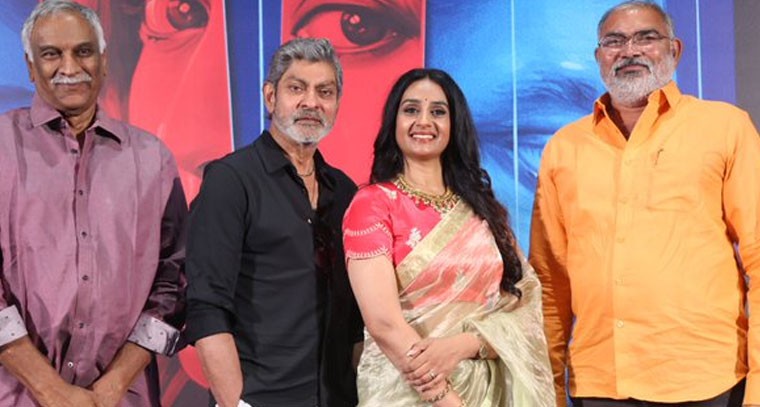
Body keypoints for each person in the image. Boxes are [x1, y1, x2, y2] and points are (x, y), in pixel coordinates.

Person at [530, 1, 759, 406]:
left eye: (646, 37)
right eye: (614, 41)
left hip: (706, 379)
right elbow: (550, 281)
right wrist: (547, 389)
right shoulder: (564, 147)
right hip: (599, 382)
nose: (629, 51)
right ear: (599, 57)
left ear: (675, 49)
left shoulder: (725, 127)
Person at [0, 1, 187, 406]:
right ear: (30, 67)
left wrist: (114, 384)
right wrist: (49, 389)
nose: (70, 66)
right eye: (51, 53)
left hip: (122, 398)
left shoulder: (152, 159)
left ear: (103, 61)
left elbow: (174, 281)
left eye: (83, 51)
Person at [342, 68, 554, 406]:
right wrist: (446, 399)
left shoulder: (484, 209)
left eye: (438, 111)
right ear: (394, 122)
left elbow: (524, 302)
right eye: (411, 110)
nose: (424, 121)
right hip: (408, 392)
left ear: (455, 124)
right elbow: (384, 324)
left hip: (488, 391)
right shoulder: (373, 204)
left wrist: (466, 344)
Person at [184, 38, 362, 407]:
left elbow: (354, 318)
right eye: (297, 88)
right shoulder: (231, 180)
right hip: (259, 398)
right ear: (270, 97)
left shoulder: (345, 191)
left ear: (337, 104)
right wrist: (236, 404)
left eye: (324, 92)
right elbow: (206, 307)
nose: (311, 102)